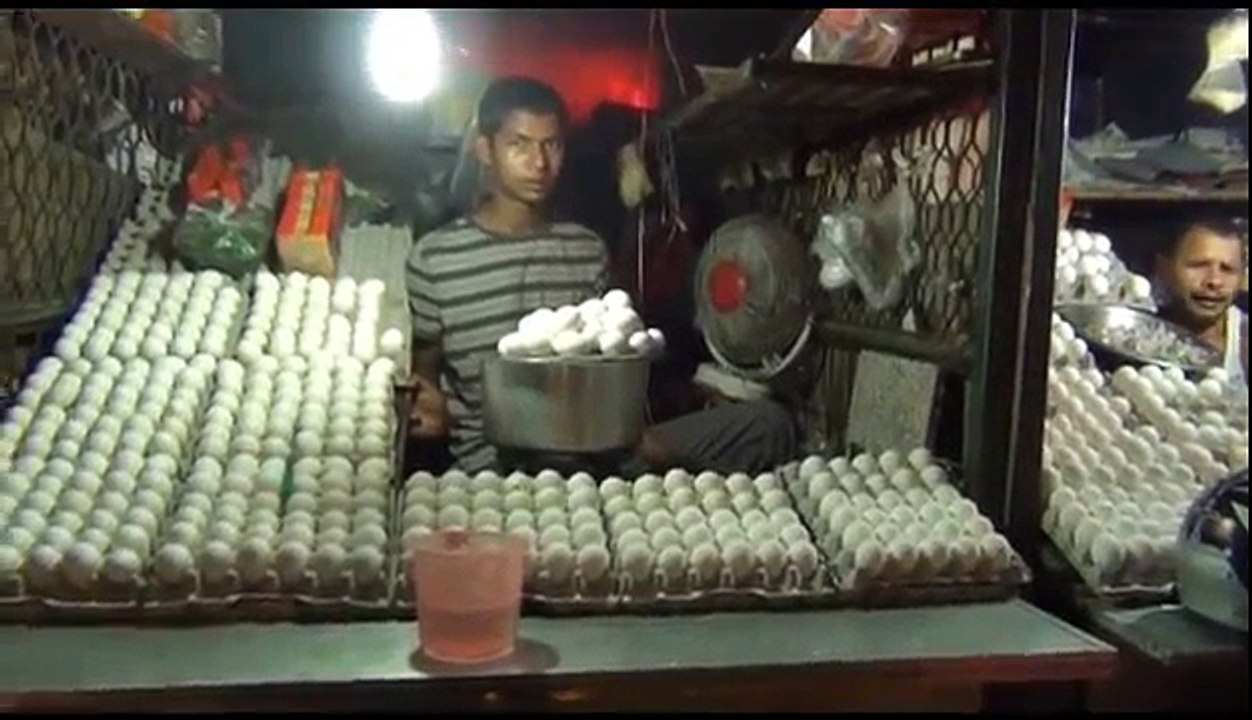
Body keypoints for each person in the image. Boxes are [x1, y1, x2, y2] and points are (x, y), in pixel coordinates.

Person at [406, 76, 797, 475]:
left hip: (595, 455)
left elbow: (606, 364)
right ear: (484, 149)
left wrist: (631, 429)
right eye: (519, 145)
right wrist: (430, 409)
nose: (539, 163)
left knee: (767, 424)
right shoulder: (435, 259)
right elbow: (426, 378)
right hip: (494, 470)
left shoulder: (586, 250)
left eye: (552, 145)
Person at [1154, 217, 1248, 383]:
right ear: (1164, 268)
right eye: (1199, 265)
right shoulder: (1135, 335)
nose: (1214, 281)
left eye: (1227, 269)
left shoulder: (1244, 342)